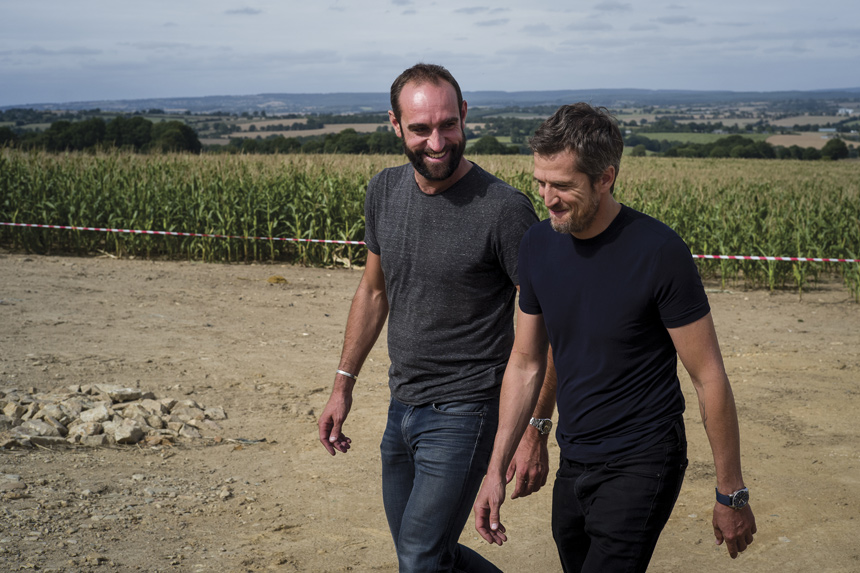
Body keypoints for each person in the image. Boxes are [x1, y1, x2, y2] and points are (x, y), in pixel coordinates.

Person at [473, 103, 757, 572]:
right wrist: (502, 462)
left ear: (605, 178)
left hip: (644, 458)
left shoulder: (660, 252)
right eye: (541, 182)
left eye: (563, 185)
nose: (547, 198)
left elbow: (708, 377)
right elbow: (526, 362)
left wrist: (731, 491)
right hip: (576, 455)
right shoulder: (537, 245)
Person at [317, 63, 554, 573]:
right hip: (400, 404)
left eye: (448, 124)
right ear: (395, 125)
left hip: (466, 412)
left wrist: (534, 429)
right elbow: (374, 291)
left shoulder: (504, 210)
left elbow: (548, 325)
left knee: (421, 557)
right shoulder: (384, 191)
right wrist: (343, 385)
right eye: (421, 128)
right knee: (423, 551)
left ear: (464, 116)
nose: (438, 141)